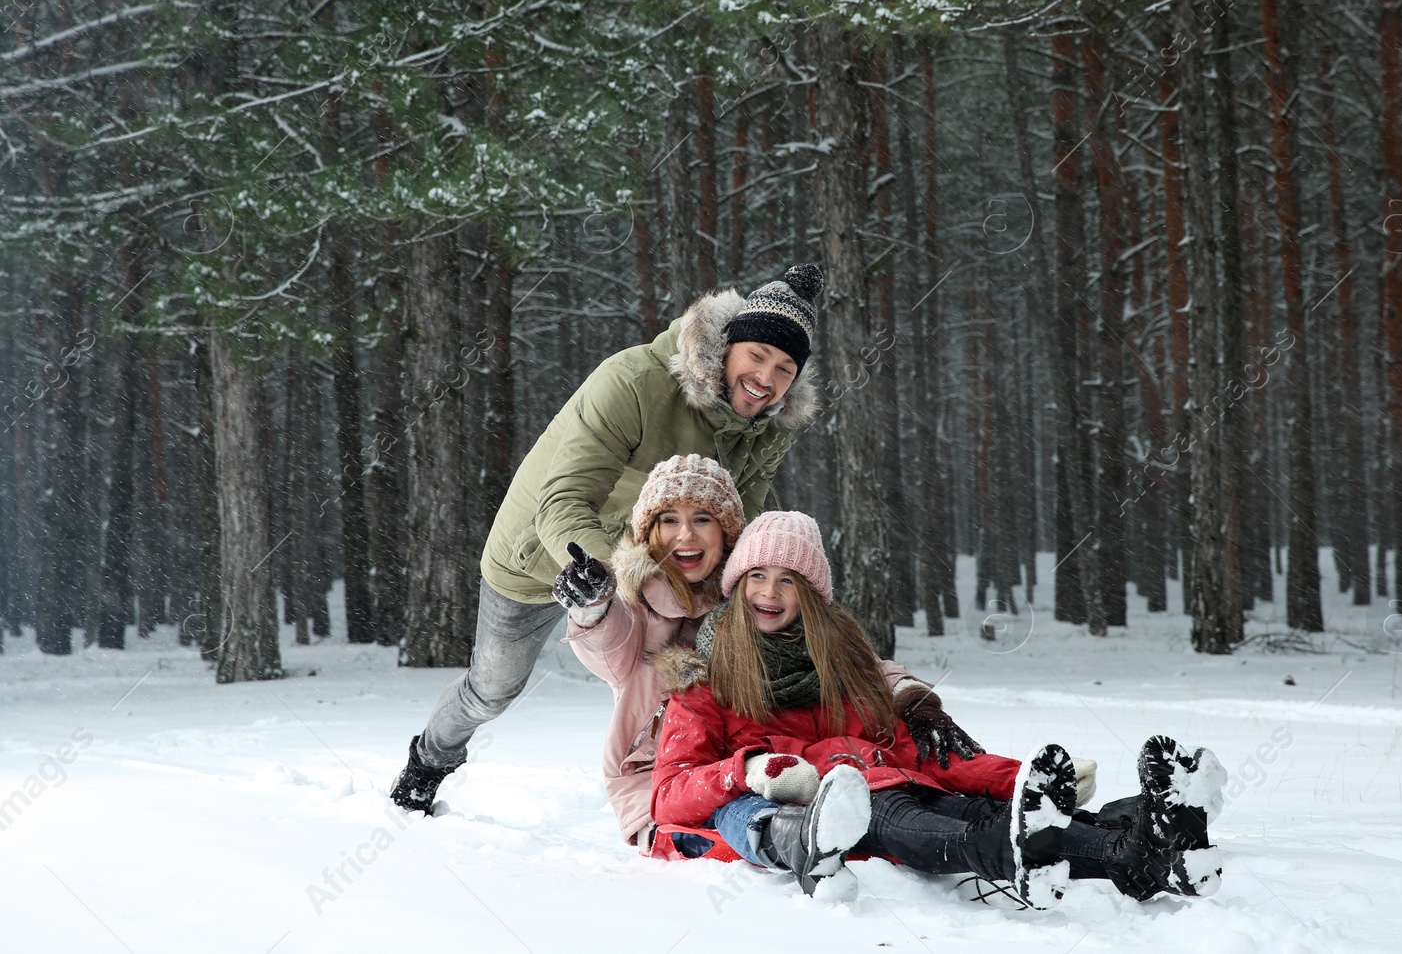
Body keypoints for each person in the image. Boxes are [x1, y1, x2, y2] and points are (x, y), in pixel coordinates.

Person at [390, 265, 979, 814]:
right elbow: (563, 499)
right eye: (757, 356)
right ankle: (430, 758)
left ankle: (681, 791)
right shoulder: (635, 381)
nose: (766, 381)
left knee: (679, 673)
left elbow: (741, 521)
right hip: (541, 555)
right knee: (492, 690)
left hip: (662, 570)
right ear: (725, 347)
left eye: (784, 371)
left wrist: (779, 594)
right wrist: (613, 577)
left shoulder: (765, 424)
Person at [650, 511, 1226, 907]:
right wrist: (745, 770)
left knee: (993, 816)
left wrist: (1017, 779)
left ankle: (1148, 846)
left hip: (902, 784)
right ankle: (1037, 852)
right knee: (952, 831)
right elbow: (670, 791)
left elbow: (919, 755)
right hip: (850, 809)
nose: (768, 593)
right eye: (755, 576)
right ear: (736, 583)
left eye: (786, 580)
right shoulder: (706, 682)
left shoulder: (843, 672)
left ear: (812, 596)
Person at [559, 455, 966, 850]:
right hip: (668, 794)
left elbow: (848, 663)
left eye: (702, 519)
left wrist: (913, 699)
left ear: (726, 534)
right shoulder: (635, 614)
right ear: (650, 532)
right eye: (669, 520)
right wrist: (591, 607)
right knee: (750, 827)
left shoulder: (755, 596)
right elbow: (607, 643)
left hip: (769, 769)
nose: (685, 535)